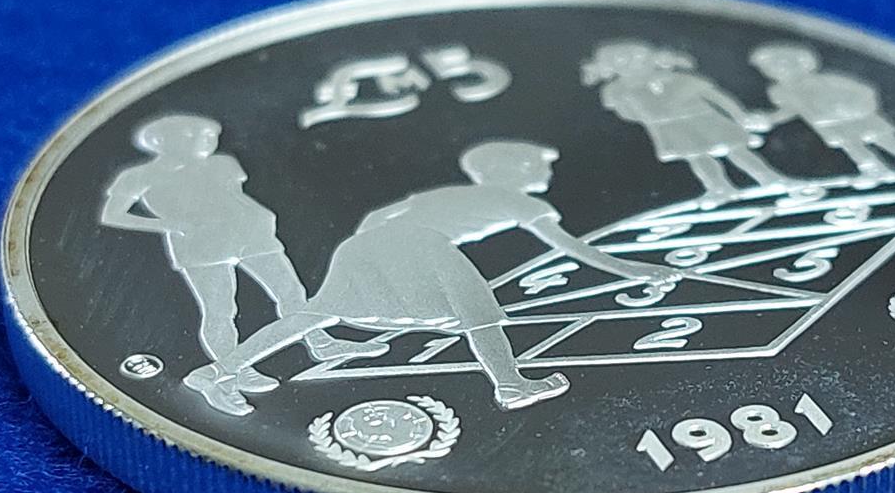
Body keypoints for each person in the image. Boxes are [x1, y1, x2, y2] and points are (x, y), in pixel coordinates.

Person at [183, 141, 681, 415]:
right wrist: (639, 269)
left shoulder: (445, 194)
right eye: (534, 162)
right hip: (419, 245)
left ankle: (218, 369)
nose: (543, 170)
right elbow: (575, 250)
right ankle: (510, 385)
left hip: (364, 245)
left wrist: (376, 260)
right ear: (509, 170)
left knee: (315, 314)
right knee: (478, 311)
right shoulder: (518, 200)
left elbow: (377, 217)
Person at [100, 115, 385, 394]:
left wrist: (263, 217)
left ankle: (321, 343)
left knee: (291, 292)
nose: (207, 140)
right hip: (201, 245)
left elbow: (232, 196)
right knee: (221, 308)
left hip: (251, 235)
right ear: (163, 140)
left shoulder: (222, 163)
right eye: (195, 134)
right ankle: (235, 369)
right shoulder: (139, 176)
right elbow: (113, 215)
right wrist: (171, 225)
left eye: (210, 135)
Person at [582, 40, 791, 207]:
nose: (631, 66)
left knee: (735, 149)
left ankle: (769, 178)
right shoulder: (617, 90)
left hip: (703, 118)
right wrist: (650, 115)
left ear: (651, 58)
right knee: (697, 157)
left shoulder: (678, 78)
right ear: (609, 67)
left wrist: (740, 116)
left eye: (636, 59)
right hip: (670, 127)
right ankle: (720, 188)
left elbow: (716, 97)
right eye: (621, 63)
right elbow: (624, 112)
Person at [747, 44, 895, 187]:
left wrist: (858, 107)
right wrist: (769, 119)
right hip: (828, 125)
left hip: (858, 117)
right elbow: (791, 111)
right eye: (770, 66)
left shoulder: (827, 79)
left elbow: (864, 91)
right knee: (852, 146)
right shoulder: (780, 91)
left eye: (782, 63)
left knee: (886, 141)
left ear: (803, 64)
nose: (777, 69)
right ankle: (875, 170)